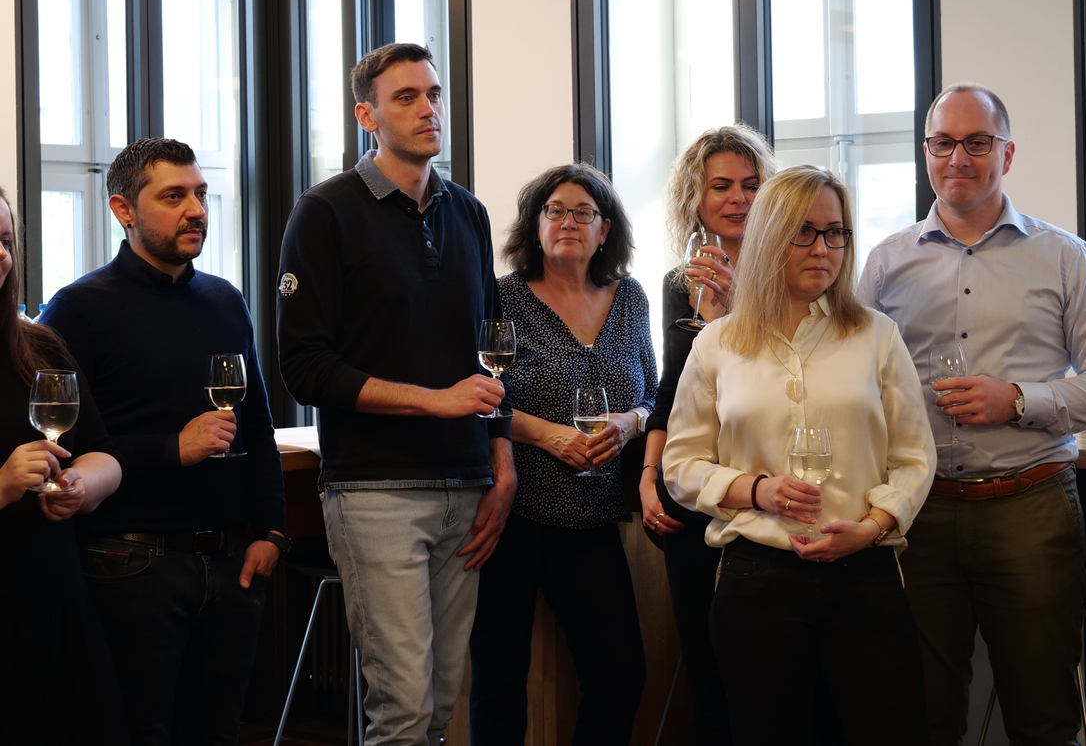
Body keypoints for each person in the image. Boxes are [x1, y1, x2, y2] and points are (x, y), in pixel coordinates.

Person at [857, 82, 1086, 746]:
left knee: (1043, 719)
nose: (958, 158)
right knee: (923, 718)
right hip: (918, 513)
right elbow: (855, 379)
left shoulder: (1064, 257)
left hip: (1029, 510)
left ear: (1006, 154)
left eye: (977, 143)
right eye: (943, 143)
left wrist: (1016, 400)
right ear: (926, 153)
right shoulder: (886, 263)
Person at [277, 42, 514, 746]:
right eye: (406, 97)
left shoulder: (468, 213)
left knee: (438, 709)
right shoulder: (324, 212)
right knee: (402, 711)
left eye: (433, 94)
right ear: (367, 116)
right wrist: (433, 400)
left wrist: (502, 462)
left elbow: (494, 353)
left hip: (468, 486)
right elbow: (304, 368)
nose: (428, 108)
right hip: (374, 489)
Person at [664, 165, 936, 745]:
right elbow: (681, 465)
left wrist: (873, 526)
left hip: (864, 575)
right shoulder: (717, 343)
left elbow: (915, 457)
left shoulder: (877, 336)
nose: (823, 249)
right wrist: (755, 490)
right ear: (769, 237)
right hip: (757, 579)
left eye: (835, 232)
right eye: (804, 232)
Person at [41, 139, 287, 746]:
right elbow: (64, 452)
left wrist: (271, 531)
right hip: (129, 563)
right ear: (123, 209)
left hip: (232, 562)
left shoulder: (225, 300)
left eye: (200, 194)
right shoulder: (76, 311)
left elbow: (257, 426)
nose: (196, 209)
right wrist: (172, 448)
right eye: (173, 196)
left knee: (220, 732)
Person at [468, 163, 655, 746]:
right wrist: (549, 435)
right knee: (499, 681)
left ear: (605, 229)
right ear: (535, 225)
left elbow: (653, 393)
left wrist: (628, 423)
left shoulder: (630, 298)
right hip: (512, 513)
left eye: (583, 213)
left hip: (593, 518)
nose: (569, 222)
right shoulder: (501, 298)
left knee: (620, 676)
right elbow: (482, 395)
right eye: (555, 211)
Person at [637, 122, 776, 745]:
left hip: (768, 484)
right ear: (695, 198)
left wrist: (730, 313)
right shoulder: (679, 283)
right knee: (706, 668)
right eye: (721, 186)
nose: (738, 198)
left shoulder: (793, 276)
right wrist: (649, 477)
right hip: (695, 484)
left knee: (765, 674)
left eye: (751, 184)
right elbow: (674, 389)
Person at [0, 186, 126, 746]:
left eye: (6, 241)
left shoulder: (39, 348)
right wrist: (1, 486)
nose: (1, 255)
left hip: (51, 599)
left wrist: (81, 484)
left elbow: (104, 454)